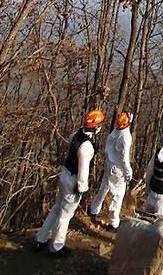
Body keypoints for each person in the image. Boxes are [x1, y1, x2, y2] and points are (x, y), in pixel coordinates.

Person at [35, 108, 105, 256]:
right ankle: (56, 247)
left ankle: (40, 238)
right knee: (66, 214)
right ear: (97, 127)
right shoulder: (87, 146)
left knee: (57, 208)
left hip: (64, 173)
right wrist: (81, 188)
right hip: (72, 180)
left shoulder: (78, 134)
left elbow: (70, 138)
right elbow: (83, 170)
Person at [89, 110, 133, 230]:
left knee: (103, 188)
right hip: (118, 169)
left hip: (109, 164)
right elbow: (124, 158)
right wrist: (128, 171)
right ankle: (113, 222)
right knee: (117, 196)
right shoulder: (126, 137)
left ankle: (93, 210)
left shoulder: (114, 132)